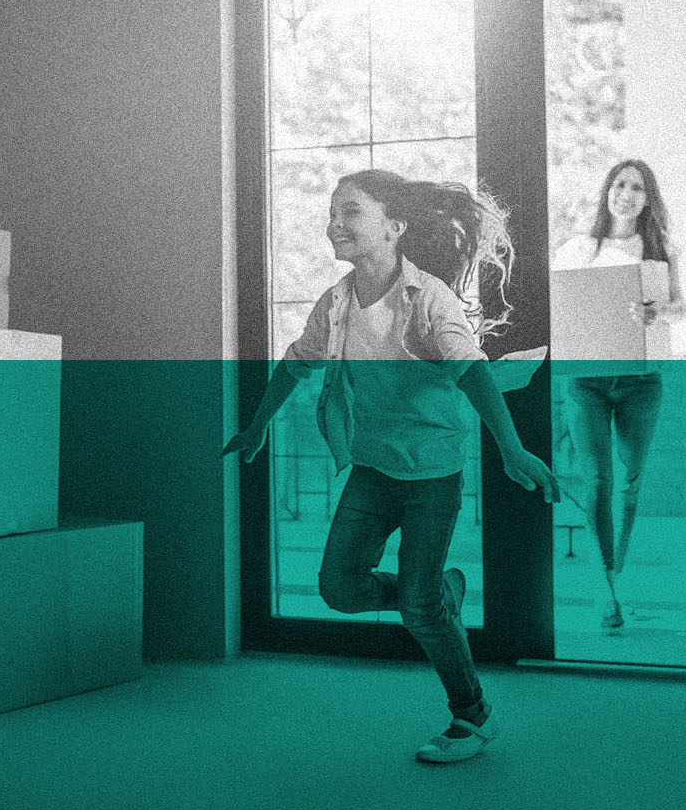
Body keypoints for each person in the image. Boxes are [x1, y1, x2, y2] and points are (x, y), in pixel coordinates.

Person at [223, 169, 558, 765]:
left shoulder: (429, 299)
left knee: (419, 606)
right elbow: (297, 363)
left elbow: (474, 373)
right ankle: (432, 593)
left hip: (431, 474)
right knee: (338, 588)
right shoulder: (337, 301)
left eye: (351, 211)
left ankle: (472, 715)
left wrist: (510, 448)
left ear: (394, 227)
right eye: (333, 211)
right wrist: (257, 427)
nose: (335, 223)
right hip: (374, 470)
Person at [552, 159, 685, 630]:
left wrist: (659, 312)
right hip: (585, 381)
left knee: (629, 483)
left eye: (638, 188)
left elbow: (680, 307)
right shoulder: (576, 249)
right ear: (607, 190)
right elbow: (559, 309)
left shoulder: (659, 250)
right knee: (596, 481)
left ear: (648, 200)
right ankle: (604, 584)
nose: (626, 193)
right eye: (620, 184)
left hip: (640, 381)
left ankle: (618, 574)